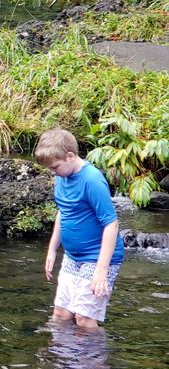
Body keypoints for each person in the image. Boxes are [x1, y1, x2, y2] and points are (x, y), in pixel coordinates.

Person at [36, 128, 123, 331]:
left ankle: (92, 361)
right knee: (61, 314)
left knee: (83, 319)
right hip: (72, 256)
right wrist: (51, 250)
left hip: (97, 258)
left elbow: (111, 224)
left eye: (55, 167)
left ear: (70, 156)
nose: (53, 172)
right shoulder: (61, 177)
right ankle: (63, 360)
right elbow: (63, 212)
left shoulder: (92, 180)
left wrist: (101, 271)